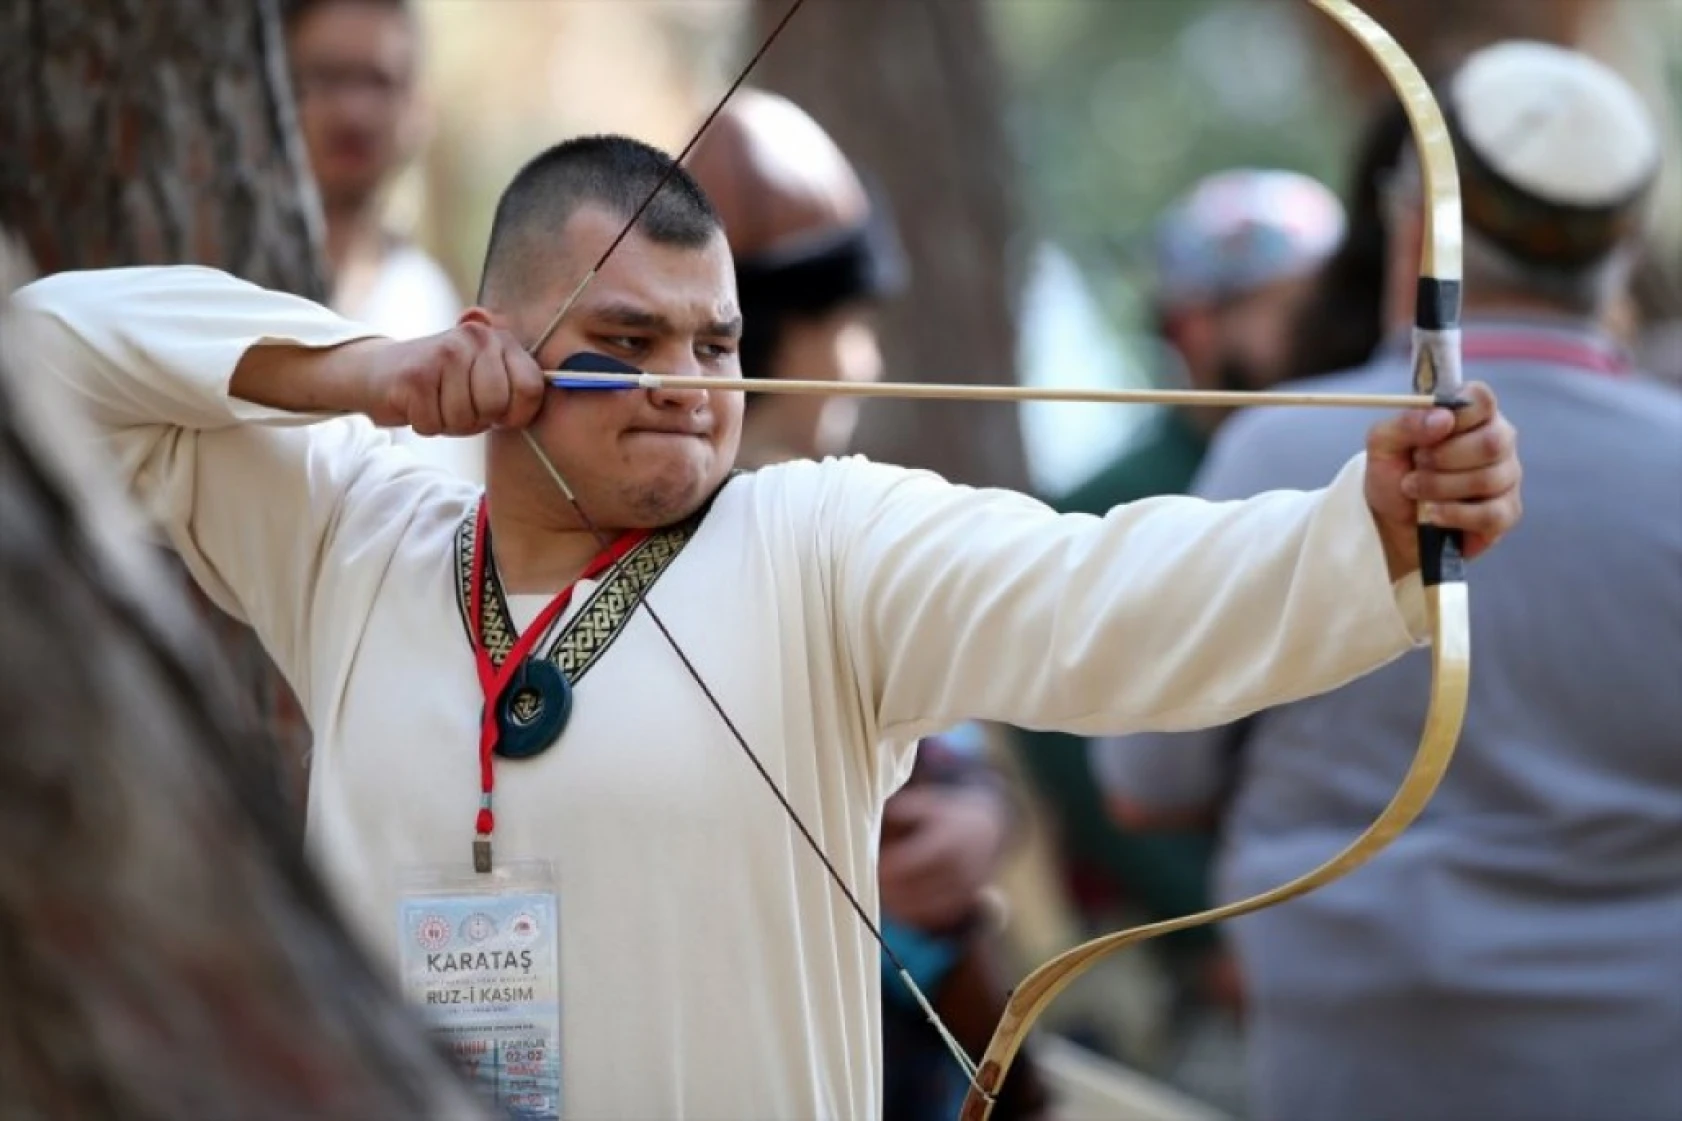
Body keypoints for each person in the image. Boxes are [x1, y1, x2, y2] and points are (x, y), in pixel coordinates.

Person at [7, 133, 1521, 1120]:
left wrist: (1373, 522)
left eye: (716, 342)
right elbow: (44, 348)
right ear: (496, 345)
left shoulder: (815, 535)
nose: (688, 382)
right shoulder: (360, 520)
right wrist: (359, 368)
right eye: (625, 343)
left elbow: (1107, 594)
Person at [1092, 40, 1680, 1121]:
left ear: (1413, 224)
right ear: (1622, 247)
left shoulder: (1275, 446)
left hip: (1351, 1056)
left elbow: (1143, 782)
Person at [684, 89, 1046, 1121]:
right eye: (840, 325)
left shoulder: (845, 524)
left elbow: (939, 756)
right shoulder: (698, 538)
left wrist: (980, 813)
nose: (864, 359)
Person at [1007, 166, 1345, 1083]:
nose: (1327, 328)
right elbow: (1070, 738)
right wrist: (1214, 927)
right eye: (1294, 305)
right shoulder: (1101, 508)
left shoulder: (1364, 475)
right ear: (1197, 324)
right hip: (1192, 981)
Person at [283, 0, 479, 481]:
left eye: (378, 81)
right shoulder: (224, 276)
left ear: (417, 108)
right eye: (326, 77)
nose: (353, 111)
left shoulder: (427, 303)